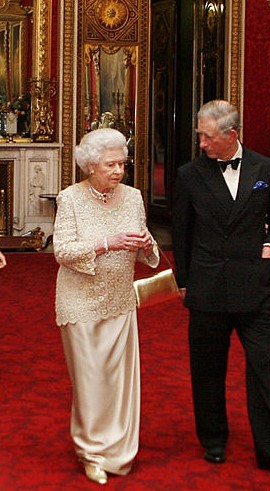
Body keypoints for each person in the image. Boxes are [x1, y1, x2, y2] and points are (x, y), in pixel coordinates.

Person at [172, 100, 270, 472]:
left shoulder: (266, 169)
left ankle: (269, 449)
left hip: (255, 285)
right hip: (208, 287)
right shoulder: (189, 175)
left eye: (208, 137)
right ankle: (213, 439)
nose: (202, 144)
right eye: (200, 136)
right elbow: (181, 233)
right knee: (207, 368)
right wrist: (184, 282)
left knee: (262, 367)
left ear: (231, 135)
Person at [53, 128, 159, 485]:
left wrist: (147, 244)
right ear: (91, 165)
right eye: (110, 164)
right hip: (79, 301)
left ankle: (118, 451)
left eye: (122, 164)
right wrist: (105, 243)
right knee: (91, 382)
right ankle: (91, 453)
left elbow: (148, 253)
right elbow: (62, 252)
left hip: (120, 299)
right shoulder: (70, 198)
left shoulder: (133, 197)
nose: (118, 171)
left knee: (120, 382)